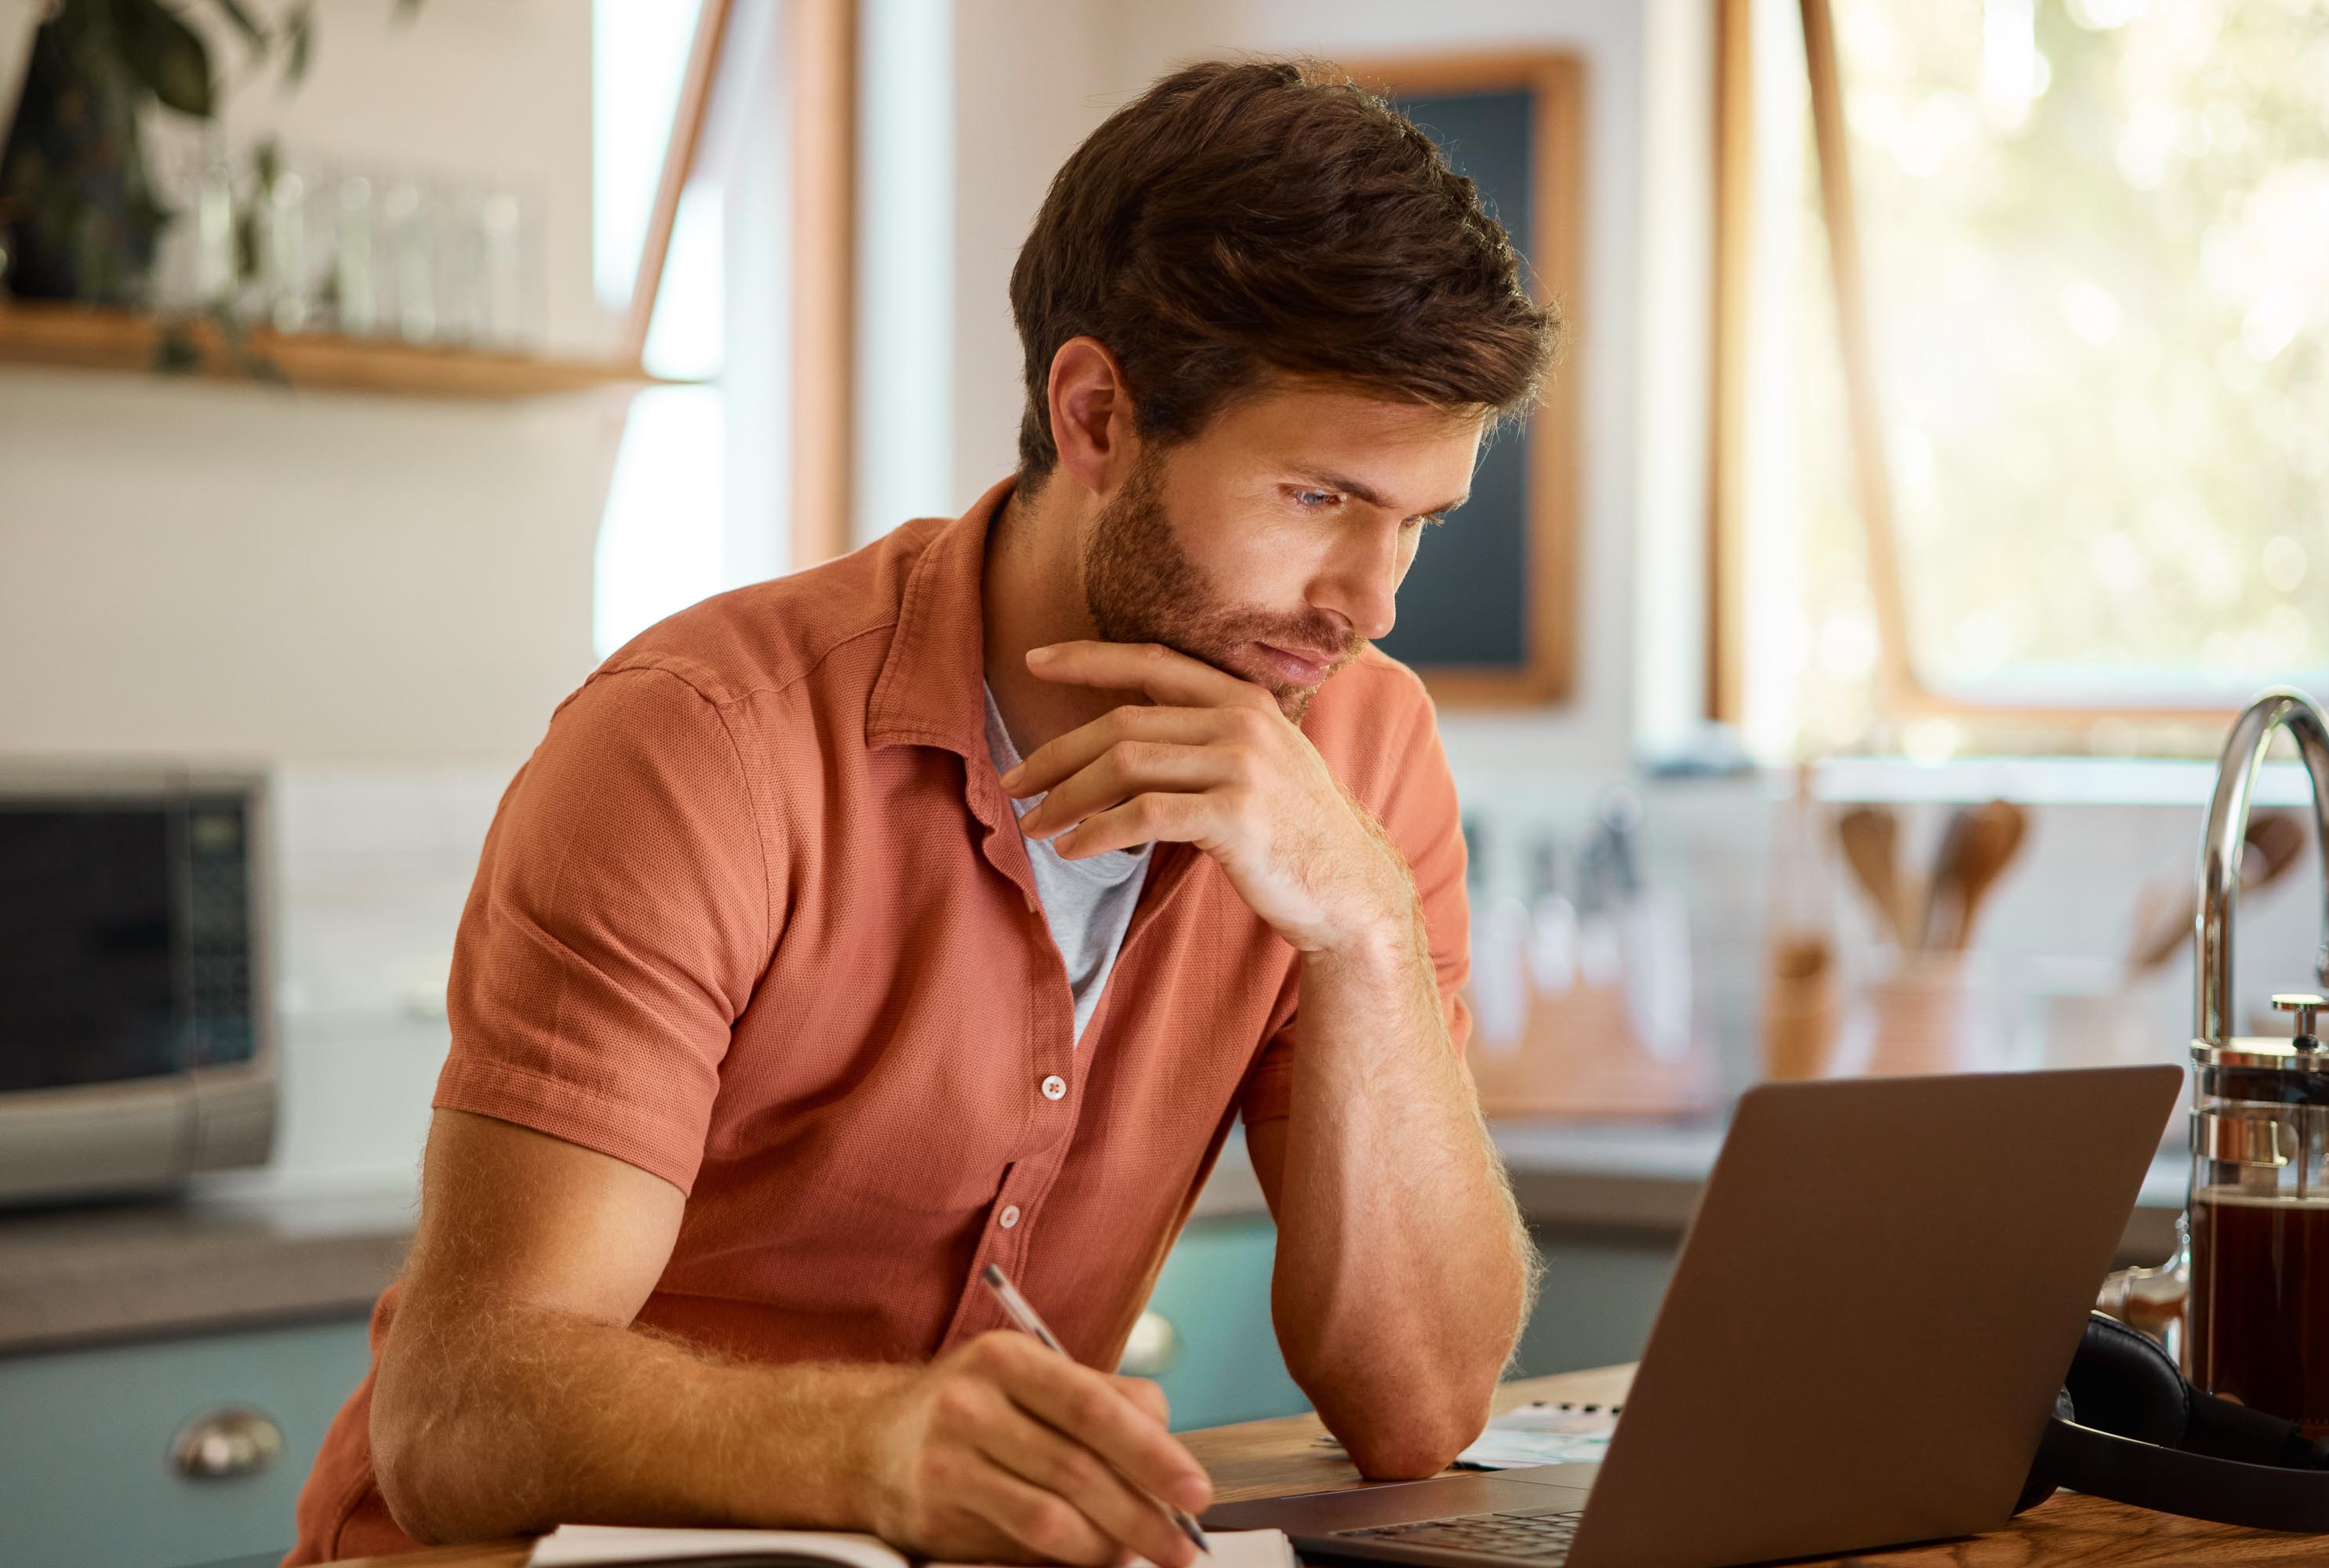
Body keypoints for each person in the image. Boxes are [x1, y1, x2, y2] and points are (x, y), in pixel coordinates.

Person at [286, 56, 1560, 1568]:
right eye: (1320, 500)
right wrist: (870, 1446)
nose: (1371, 604)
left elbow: (1419, 1408)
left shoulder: (1360, 754)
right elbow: (453, 1414)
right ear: (1096, 415)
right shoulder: (703, 747)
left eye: (1418, 522)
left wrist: (1360, 920)